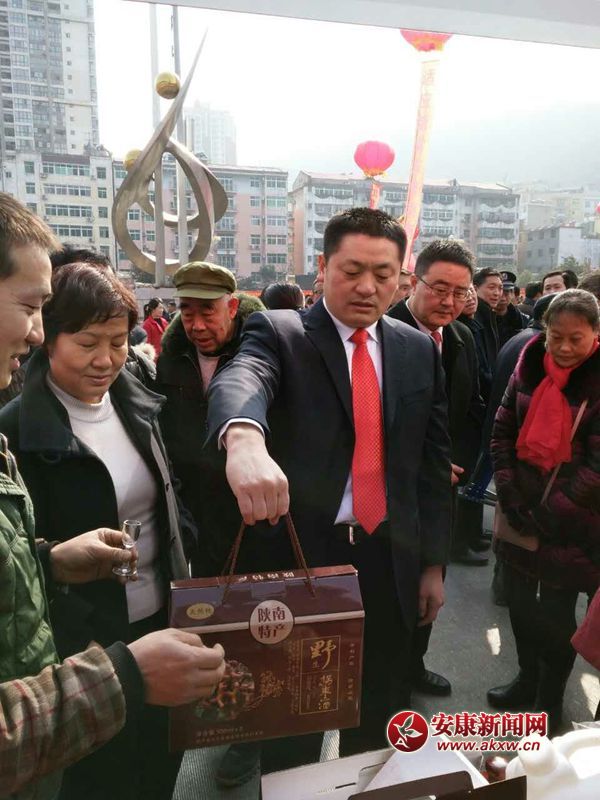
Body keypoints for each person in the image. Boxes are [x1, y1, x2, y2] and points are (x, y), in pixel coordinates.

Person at [207, 207, 452, 768]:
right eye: (352, 270)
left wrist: (433, 565)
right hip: (304, 560)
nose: (367, 287)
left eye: (383, 274)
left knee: (380, 712)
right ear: (323, 267)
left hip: (388, 556)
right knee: (293, 714)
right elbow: (244, 377)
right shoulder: (280, 332)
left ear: (401, 277)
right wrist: (243, 437)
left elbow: (433, 466)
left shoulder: (416, 349)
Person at [0, 193, 225, 799]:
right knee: (101, 778)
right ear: (50, 341)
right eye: (87, 343)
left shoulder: (139, 403)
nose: (106, 360)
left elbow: (169, 500)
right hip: (84, 644)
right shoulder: (18, 431)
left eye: (119, 341)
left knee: (158, 763)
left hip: (160, 616)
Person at [488, 289, 600, 735]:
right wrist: (511, 495)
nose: (564, 347)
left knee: (555, 615)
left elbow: (597, 467)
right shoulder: (529, 366)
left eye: (576, 338)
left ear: (595, 334)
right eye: (557, 336)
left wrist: (550, 513)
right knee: (518, 604)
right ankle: (526, 679)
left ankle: (549, 699)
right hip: (520, 514)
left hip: (574, 524)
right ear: (545, 331)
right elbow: (502, 430)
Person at [387, 238, 485, 697]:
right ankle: (384, 675)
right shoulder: (382, 333)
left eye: (460, 292)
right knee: (391, 588)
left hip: (443, 487)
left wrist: (457, 463)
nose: (449, 301)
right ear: (414, 281)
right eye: (439, 288)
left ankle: (413, 664)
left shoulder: (462, 338)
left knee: (432, 584)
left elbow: (472, 409)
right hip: (390, 490)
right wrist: (425, 464)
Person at [156, 262, 264, 577]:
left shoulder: (260, 355)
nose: (198, 326)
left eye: (208, 312)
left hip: (252, 514)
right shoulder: (171, 360)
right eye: (187, 313)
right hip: (194, 512)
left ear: (232, 307)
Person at [471, 267, 502, 402]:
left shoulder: (490, 314)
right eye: (491, 287)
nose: (497, 293)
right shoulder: (473, 317)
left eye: (500, 288)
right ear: (475, 288)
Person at [496, 270, 529, 348]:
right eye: (500, 293)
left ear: (513, 294)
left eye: (506, 293)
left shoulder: (523, 320)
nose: (503, 298)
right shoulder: (483, 320)